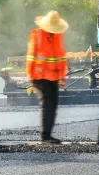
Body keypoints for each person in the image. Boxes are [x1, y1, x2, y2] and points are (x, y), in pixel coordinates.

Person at [27, 11, 69, 143]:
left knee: (54, 105)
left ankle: (48, 135)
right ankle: (45, 137)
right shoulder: (37, 35)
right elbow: (30, 55)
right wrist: (30, 74)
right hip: (39, 76)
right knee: (47, 105)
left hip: (54, 76)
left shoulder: (58, 36)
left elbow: (61, 57)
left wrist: (62, 76)